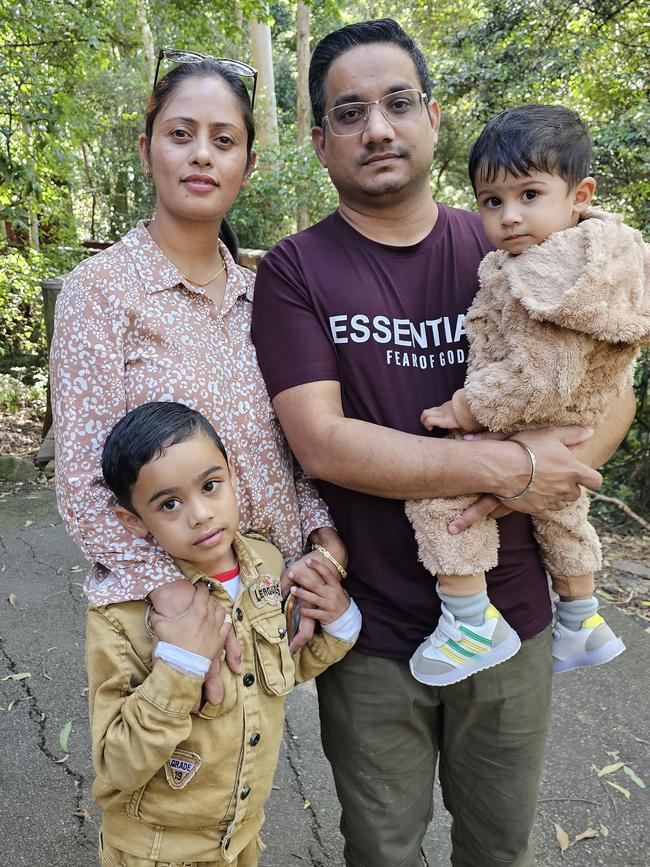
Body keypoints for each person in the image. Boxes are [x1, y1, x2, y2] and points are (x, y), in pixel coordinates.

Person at [251, 19, 636, 867]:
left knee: (499, 846)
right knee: (383, 848)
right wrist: (513, 467)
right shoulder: (296, 270)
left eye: (396, 104)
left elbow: (611, 392)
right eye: (349, 113)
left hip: (516, 610)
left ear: (431, 116)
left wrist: (547, 472)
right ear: (319, 141)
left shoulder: (510, 238)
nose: (377, 128)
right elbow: (322, 442)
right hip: (376, 632)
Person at [50, 54, 347, 706]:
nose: (201, 156)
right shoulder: (100, 293)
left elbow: (292, 453)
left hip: (269, 604)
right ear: (147, 146)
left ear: (248, 164)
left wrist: (324, 550)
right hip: (167, 621)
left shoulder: (267, 297)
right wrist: (176, 596)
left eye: (223, 140)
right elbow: (81, 485)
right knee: (167, 803)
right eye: (181, 134)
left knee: (242, 802)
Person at [406, 104, 647, 686]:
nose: (509, 217)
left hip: (533, 410)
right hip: (575, 421)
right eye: (492, 201)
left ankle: (468, 622)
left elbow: (539, 374)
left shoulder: (549, 275)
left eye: (529, 195)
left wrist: (465, 409)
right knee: (563, 510)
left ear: (579, 194)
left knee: (440, 497)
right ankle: (582, 618)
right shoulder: (602, 259)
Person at [90, 400, 360, 865]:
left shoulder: (269, 565)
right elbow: (117, 766)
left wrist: (338, 621)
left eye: (210, 486)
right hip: (155, 849)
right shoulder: (121, 616)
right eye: (169, 503)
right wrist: (179, 666)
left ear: (233, 473)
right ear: (133, 521)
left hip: (240, 834)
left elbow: (278, 671)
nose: (199, 514)